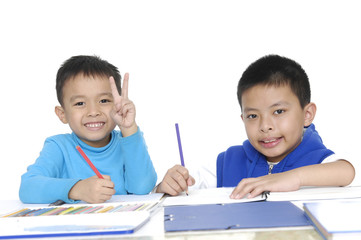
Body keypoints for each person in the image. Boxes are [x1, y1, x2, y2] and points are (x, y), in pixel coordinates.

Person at [156, 54, 355, 198]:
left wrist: (294, 178)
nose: (265, 125)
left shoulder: (318, 159)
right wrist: (170, 184)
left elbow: (347, 172)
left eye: (278, 112)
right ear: (242, 119)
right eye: (253, 115)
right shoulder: (228, 162)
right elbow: (188, 188)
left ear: (307, 114)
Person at [19, 55, 157, 204]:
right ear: (62, 114)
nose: (93, 111)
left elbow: (142, 188)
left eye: (104, 101)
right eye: (80, 103)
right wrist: (77, 189)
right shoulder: (58, 146)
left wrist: (128, 128)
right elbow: (28, 187)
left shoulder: (127, 140)